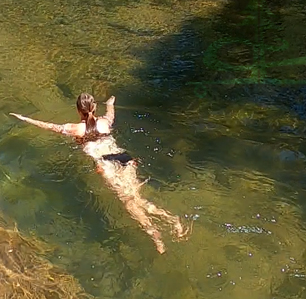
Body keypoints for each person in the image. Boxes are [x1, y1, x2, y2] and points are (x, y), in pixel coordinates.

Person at [10, 94, 188, 254]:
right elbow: (111, 114)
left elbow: (49, 126)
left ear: (78, 110)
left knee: (128, 201)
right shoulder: (104, 122)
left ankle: (154, 234)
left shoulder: (75, 129)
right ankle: (172, 219)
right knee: (135, 195)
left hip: (106, 163)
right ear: (94, 107)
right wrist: (110, 103)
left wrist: (24, 118)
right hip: (124, 158)